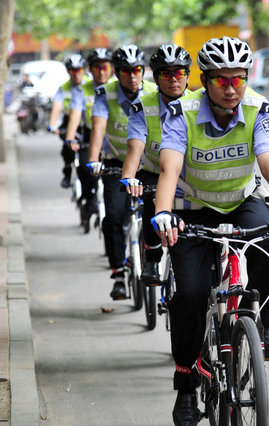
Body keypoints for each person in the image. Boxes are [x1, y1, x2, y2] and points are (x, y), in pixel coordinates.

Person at [151, 36, 269, 426]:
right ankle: (187, 381)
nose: (231, 88)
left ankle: (262, 327)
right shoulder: (182, 112)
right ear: (204, 81)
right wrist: (163, 214)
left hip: (241, 200)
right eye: (221, 80)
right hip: (192, 208)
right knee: (188, 293)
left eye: (238, 79)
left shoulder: (259, 108)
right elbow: (170, 169)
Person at [86, 44, 156, 300]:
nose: (133, 75)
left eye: (137, 69)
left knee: (160, 216)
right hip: (116, 163)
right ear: (117, 73)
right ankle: (118, 274)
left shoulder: (153, 91)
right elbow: (98, 129)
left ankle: (155, 262)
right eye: (126, 71)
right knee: (114, 217)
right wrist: (94, 160)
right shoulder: (106, 94)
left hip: (148, 165)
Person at [122, 44, 192, 285]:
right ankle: (152, 258)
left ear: (188, 76)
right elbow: (135, 148)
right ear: (156, 77)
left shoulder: (200, 102)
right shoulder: (143, 106)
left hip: (191, 176)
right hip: (154, 172)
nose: (173, 79)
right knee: (153, 202)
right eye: (166, 74)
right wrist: (129, 177)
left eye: (179, 73)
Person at [63, 48, 115, 232]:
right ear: (90, 70)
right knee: (85, 167)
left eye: (105, 67)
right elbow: (75, 115)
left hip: (116, 142)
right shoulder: (81, 90)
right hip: (89, 136)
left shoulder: (119, 86)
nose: (101, 71)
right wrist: (70, 138)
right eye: (97, 67)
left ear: (111, 69)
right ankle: (88, 198)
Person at [48, 54, 88, 188]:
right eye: (72, 71)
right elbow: (57, 106)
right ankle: (67, 171)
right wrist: (52, 124)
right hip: (69, 121)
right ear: (68, 72)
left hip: (87, 121)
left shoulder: (90, 85)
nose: (76, 74)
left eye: (79, 70)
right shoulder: (64, 87)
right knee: (67, 147)